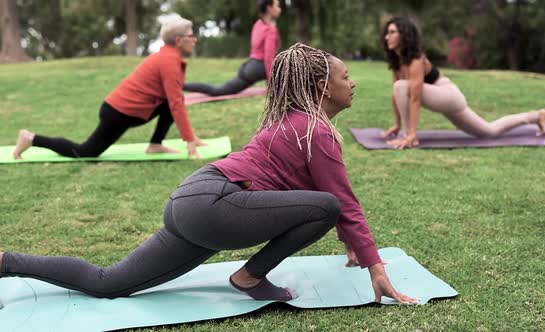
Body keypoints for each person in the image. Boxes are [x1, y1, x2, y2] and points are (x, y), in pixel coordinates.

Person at [0, 43, 418, 305]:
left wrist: (351, 245)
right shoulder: (314, 130)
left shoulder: (292, 122)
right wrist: (375, 269)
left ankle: (7, 261)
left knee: (110, 283)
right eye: (346, 77)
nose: (353, 83)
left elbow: (313, 194)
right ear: (325, 88)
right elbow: (338, 202)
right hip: (216, 205)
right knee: (327, 207)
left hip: (193, 202)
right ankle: (249, 276)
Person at [12, 17, 206, 160]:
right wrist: (189, 140)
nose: (195, 39)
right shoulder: (169, 61)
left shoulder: (168, 57)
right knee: (85, 152)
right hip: (118, 113)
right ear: (179, 40)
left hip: (132, 110)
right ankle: (31, 138)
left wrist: (190, 136)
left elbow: (173, 101)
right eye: (191, 36)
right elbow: (176, 103)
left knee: (170, 103)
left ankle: (155, 145)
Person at [380, 17, 545, 149]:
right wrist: (396, 124)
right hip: (439, 97)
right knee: (488, 131)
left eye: (392, 32)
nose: (387, 37)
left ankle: (409, 136)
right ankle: (535, 116)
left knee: (401, 86)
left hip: (448, 94)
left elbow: (414, 98)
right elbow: (397, 96)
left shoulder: (416, 59)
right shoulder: (397, 60)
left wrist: (412, 134)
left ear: (405, 35)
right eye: (387, 32)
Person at [183, 0, 281, 96]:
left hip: (248, 66)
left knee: (217, 90)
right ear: (269, 8)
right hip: (258, 68)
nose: (279, 9)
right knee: (287, 66)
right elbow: (269, 58)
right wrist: (271, 84)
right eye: (277, 6)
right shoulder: (270, 30)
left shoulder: (258, 25)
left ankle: (181, 86)